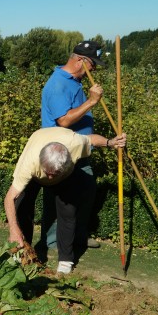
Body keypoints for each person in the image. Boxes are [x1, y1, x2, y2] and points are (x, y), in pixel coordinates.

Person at [4, 127, 126, 273]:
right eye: (47, 174)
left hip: (65, 174)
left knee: (68, 212)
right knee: (22, 208)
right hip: (36, 156)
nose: (49, 179)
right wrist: (13, 229)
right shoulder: (29, 163)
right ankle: (22, 252)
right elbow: (9, 198)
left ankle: (66, 261)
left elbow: (91, 139)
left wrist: (110, 142)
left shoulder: (75, 143)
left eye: (53, 174)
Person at [39, 40, 106, 257]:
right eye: (92, 64)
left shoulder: (74, 81)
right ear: (80, 61)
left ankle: (77, 237)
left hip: (80, 150)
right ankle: (52, 245)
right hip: (61, 153)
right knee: (59, 200)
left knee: (86, 193)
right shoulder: (58, 84)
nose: (93, 69)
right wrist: (92, 101)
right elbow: (65, 121)